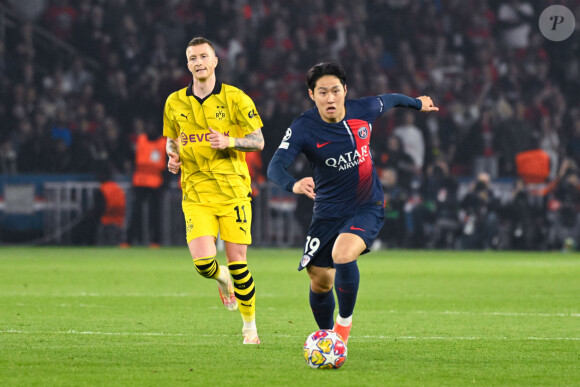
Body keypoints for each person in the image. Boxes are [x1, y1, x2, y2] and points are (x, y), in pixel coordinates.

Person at [267, 62, 438, 344]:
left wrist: (417, 104)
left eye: (335, 90)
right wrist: (294, 184)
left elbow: (391, 99)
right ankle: (327, 338)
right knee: (319, 279)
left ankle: (342, 330)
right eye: (323, 92)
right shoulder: (303, 127)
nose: (330, 98)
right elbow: (276, 166)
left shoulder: (364, 110)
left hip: (366, 205)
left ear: (345, 91)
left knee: (343, 254)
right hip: (327, 213)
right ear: (312, 95)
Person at [164, 37, 264, 344]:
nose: (198, 62)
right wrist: (172, 154)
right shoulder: (175, 102)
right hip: (195, 192)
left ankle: (250, 328)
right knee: (204, 265)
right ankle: (222, 280)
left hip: (233, 190)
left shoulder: (236, 98)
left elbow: (258, 140)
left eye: (203, 56)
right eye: (192, 58)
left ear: (215, 61)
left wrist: (230, 141)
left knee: (238, 261)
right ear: (188, 64)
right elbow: (171, 138)